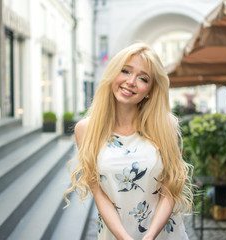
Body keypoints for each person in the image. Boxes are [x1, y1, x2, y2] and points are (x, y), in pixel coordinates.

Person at [64, 42, 192, 240]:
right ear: (113, 74)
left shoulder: (165, 125)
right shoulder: (86, 129)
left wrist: (149, 236)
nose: (131, 81)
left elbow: (169, 190)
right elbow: (99, 193)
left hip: (164, 234)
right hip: (114, 234)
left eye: (143, 78)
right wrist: (125, 238)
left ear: (149, 90)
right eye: (125, 71)